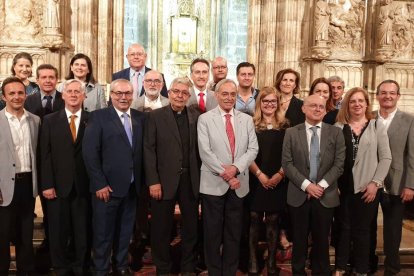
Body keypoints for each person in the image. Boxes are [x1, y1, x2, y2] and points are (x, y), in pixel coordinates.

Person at [82, 79, 145, 275]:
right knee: (102, 233)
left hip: (132, 187)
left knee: (125, 232)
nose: (123, 97)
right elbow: (90, 152)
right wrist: (99, 183)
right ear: (111, 95)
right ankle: (100, 269)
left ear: (132, 95)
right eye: (119, 93)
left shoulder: (141, 118)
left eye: (127, 93)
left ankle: (121, 266)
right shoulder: (98, 117)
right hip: (106, 188)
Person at [197, 79, 258, 275]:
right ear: (217, 95)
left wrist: (235, 169)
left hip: (239, 184)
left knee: (234, 232)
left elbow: (253, 149)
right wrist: (228, 175)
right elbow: (205, 152)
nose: (229, 98)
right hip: (213, 184)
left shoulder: (246, 119)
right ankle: (214, 271)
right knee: (212, 232)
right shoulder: (205, 119)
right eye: (225, 94)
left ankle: (229, 271)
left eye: (233, 94)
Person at [282, 94, 345, 276]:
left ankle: (321, 272)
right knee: (299, 240)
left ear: (326, 110)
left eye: (321, 106)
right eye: (313, 106)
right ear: (303, 108)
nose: (318, 109)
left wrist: (320, 186)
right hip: (299, 194)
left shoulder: (336, 132)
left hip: (326, 195)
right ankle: (298, 272)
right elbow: (287, 163)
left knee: (322, 241)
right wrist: (307, 186)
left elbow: (339, 165)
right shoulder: (292, 133)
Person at [144, 77, 201, 275]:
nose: (179, 95)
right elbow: (149, 151)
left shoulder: (196, 115)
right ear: (169, 93)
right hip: (163, 181)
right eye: (176, 91)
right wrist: (153, 181)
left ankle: (188, 267)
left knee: (191, 228)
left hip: (190, 179)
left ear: (188, 96)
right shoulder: (155, 116)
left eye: (184, 93)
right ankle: (164, 267)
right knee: (161, 228)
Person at [334, 87, 391, 276]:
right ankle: (340, 267)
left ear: (366, 104)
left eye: (360, 101)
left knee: (362, 230)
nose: (357, 104)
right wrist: (333, 185)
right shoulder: (338, 127)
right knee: (343, 228)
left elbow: (386, 158)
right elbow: (331, 159)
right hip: (342, 188)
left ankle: (361, 269)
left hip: (368, 188)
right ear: (347, 105)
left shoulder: (376, 126)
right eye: (352, 101)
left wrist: (375, 183)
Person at [40, 79, 91, 275]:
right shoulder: (50, 120)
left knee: (82, 232)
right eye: (69, 91)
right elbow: (45, 155)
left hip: (84, 186)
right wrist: (47, 184)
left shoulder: (92, 119)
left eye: (77, 91)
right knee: (58, 231)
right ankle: (60, 268)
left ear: (84, 95)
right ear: (62, 95)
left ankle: (80, 267)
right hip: (57, 187)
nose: (73, 94)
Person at [0, 77, 40, 275]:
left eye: (20, 93)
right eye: (12, 93)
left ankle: (27, 271)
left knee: (26, 234)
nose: (17, 97)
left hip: (27, 185)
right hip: (3, 187)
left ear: (26, 94)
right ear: (3, 96)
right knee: (2, 235)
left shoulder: (35, 120)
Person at [248, 87, 289, 275]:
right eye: (265, 101)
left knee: (273, 219)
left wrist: (280, 174)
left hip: (278, 177)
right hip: (256, 176)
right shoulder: (251, 123)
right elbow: (245, 153)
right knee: (254, 218)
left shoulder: (286, 125)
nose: (269, 105)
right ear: (259, 104)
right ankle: (253, 261)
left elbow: (290, 154)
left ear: (278, 104)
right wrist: (260, 175)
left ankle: (271, 262)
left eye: (273, 101)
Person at [375, 80, 414, 276]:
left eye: (392, 93)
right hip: (371, 183)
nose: (387, 96)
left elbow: (412, 155)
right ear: (377, 96)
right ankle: (368, 263)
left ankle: (392, 267)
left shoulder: (409, 120)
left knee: (392, 229)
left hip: (397, 184)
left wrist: (410, 185)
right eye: (383, 93)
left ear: (398, 96)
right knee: (366, 226)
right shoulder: (369, 118)